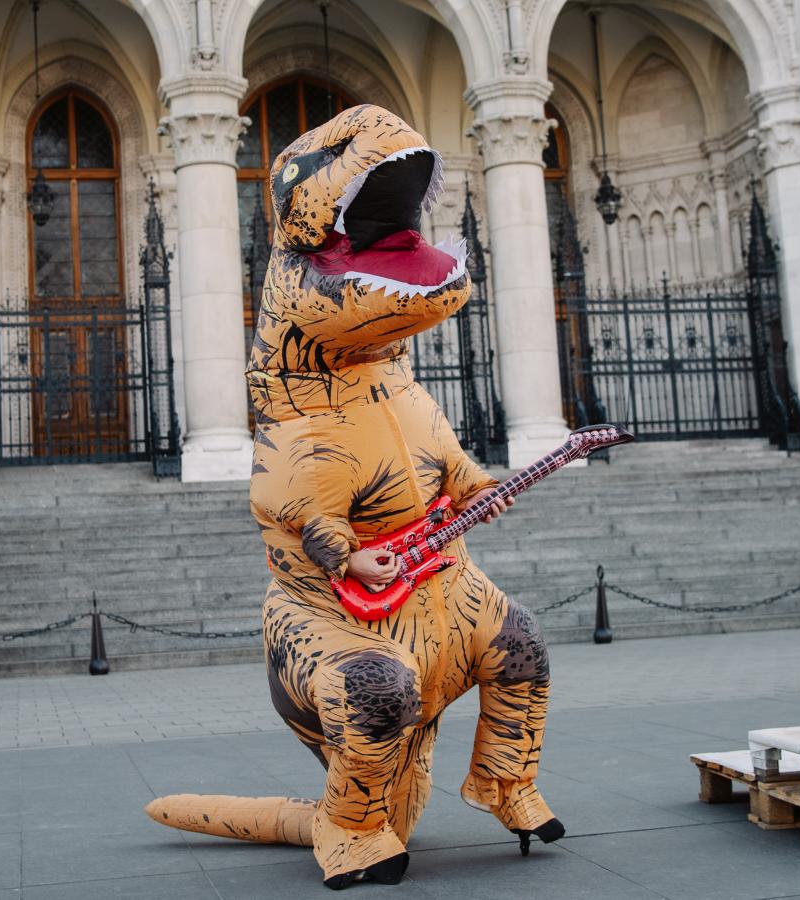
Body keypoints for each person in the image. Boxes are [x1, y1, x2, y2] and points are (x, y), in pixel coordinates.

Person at [144, 104, 562, 890]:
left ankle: (504, 779)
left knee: (524, 645)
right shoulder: (298, 404)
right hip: (337, 620)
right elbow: (292, 508)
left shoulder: (398, 384)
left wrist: (478, 486)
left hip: (446, 602)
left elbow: (448, 460)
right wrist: (349, 552)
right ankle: (348, 821)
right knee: (378, 693)